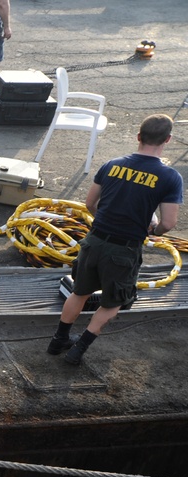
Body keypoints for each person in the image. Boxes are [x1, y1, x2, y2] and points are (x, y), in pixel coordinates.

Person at [47, 114, 182, 367]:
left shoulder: (111, 164)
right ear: (168, 140)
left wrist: (103, 220)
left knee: (80, 292)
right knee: (115, 301)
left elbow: (89, 204)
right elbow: (168, 223)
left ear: (139, 136)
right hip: (124, 249)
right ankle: (78, 350)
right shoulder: (170, 177)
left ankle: (58, 340)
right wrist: (153, 232)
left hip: (93, 241)